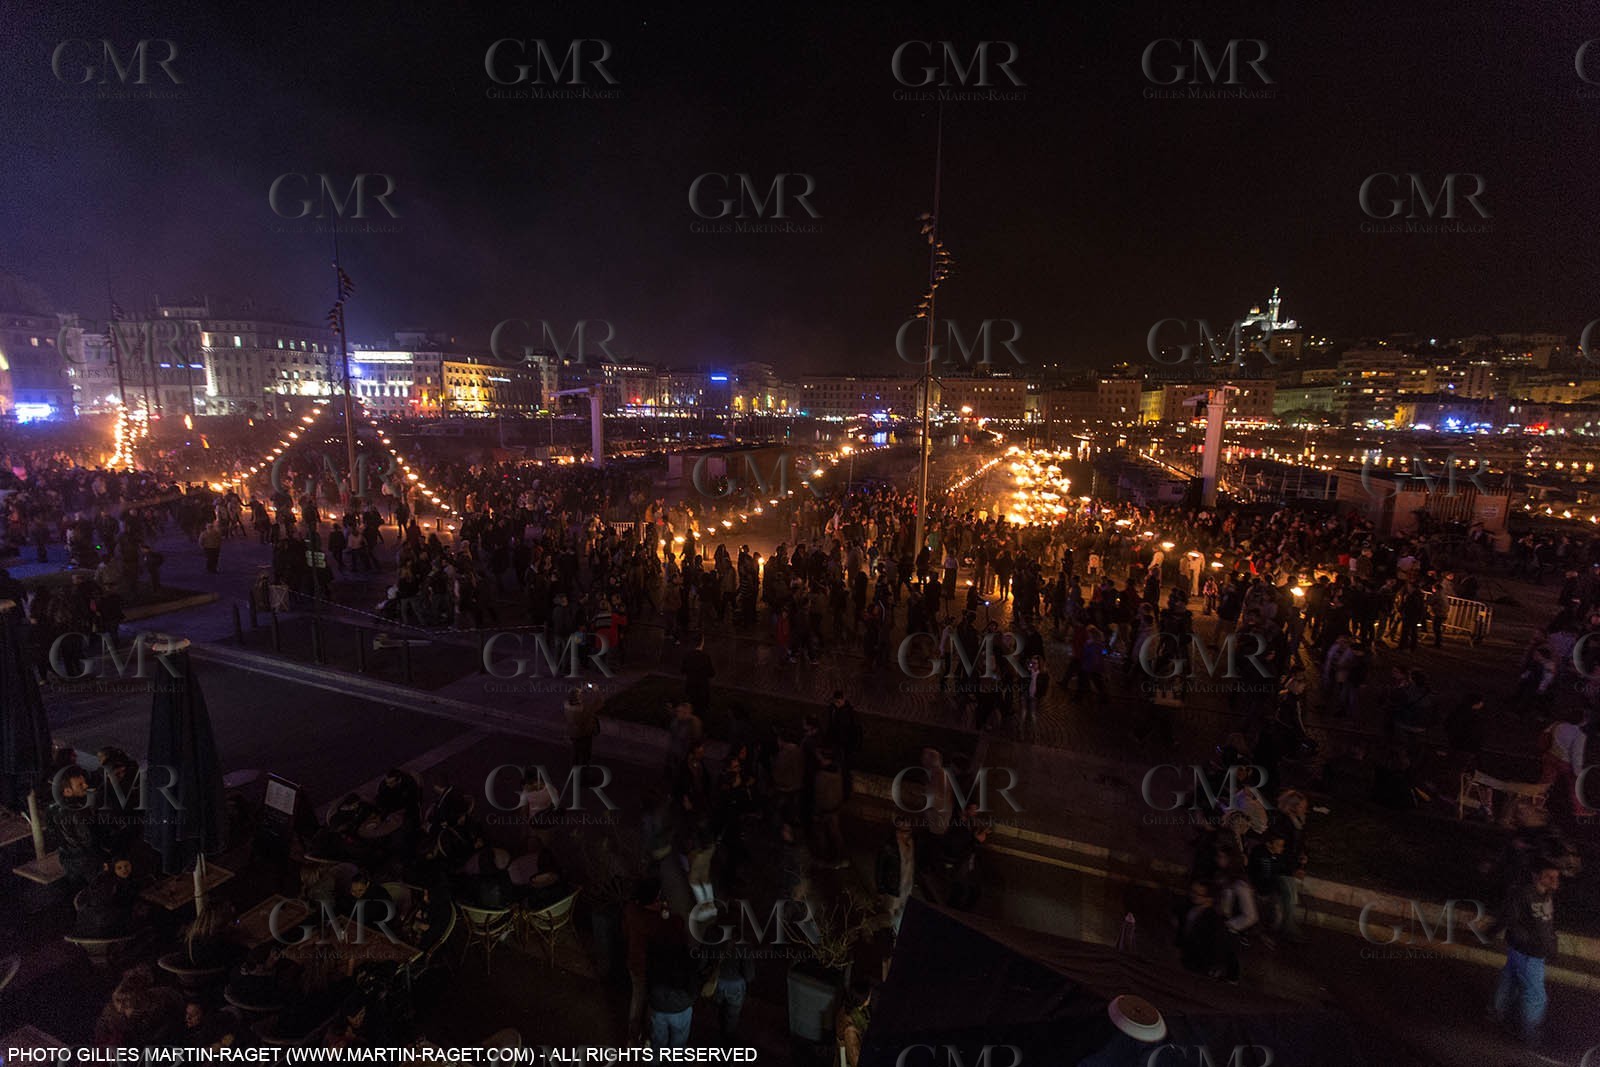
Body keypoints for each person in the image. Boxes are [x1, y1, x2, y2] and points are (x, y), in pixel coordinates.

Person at [1493, 861, 1561, 1051]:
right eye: (1550, 876)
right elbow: (1510, 919)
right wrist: (1534, 944)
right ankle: (1531, 1036)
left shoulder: (1546, 894)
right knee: (1536, 996)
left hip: (1527, 950)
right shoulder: (1524, 894)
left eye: (1556, 877)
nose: (1555, 880)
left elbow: (1546, 924)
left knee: (1510, 979)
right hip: (1529, 953)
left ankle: (1497, 1014)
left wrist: (1551, 946)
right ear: (1536, 876)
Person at [875, 816, 917, 935]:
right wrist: (881, 890)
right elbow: (880, 869)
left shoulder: (913, 843)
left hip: (907, 887)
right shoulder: (889, 847)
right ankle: (878, 930)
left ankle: (896, 934)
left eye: (908, 831)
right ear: (896, 830)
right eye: (903, 831)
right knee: (890, 914)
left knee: (902, 913)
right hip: (893, 889)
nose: (906, 835)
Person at [835, 978, 872, 1067]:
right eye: (869, 995)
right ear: (864, 999)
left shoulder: (853, 1007)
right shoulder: (850, 1030)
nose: (871, 996)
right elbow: (856, 1062)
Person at [565, 685, 601, 769]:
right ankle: (583, 777)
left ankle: (574, 775)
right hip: (584, 734)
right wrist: (596, 691)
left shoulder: (567, 706)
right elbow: (599, 703)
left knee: (575, 755)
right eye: (580, 695)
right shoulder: (584, 710)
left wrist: (583, 690)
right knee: (585, 756)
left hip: (573, 734)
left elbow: (574, 698)